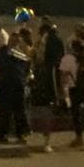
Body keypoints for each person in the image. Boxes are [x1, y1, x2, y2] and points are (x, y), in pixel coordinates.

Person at [0, 27, 32, 143]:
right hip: (7, 83)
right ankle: (5, 134)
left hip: (16, 83)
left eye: (16, 40)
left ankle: (19, 133)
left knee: (18, 110)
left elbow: (27, 68)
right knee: (7, 110)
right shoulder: (6, 51)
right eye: (12, 40)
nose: (13, 42)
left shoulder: (18, 53)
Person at [29, 21, 62, 152]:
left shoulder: (45, 42)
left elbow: (38, 57)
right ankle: (46, 141)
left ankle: (45, 140)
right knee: (47, 111)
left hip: (45, 82)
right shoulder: (55, 40)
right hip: (48, 83)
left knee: (44, 110)